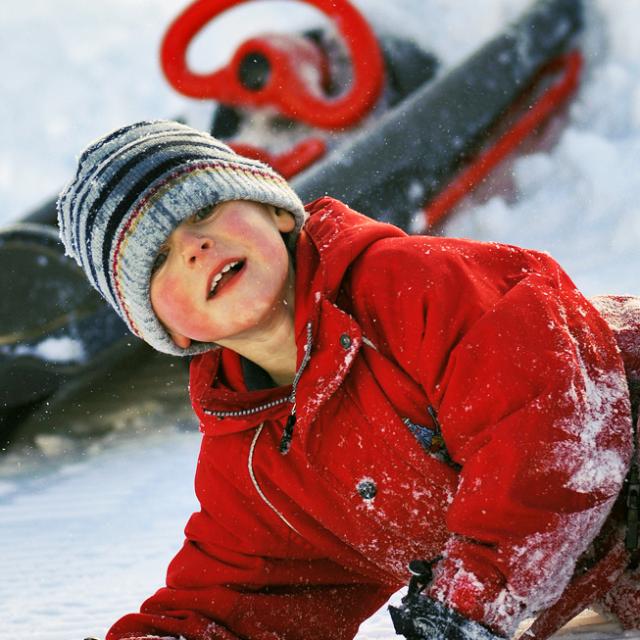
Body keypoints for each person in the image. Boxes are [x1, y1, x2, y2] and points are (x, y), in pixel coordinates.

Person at [58, 120, 639, 640]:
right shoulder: (256, 461)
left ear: (278, 211)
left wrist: (473, 597)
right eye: (157, 258)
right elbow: (245, 597)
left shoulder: (412, 285)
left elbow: (548, 427)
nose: (194, 247)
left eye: (202, 211)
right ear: (166, 329)